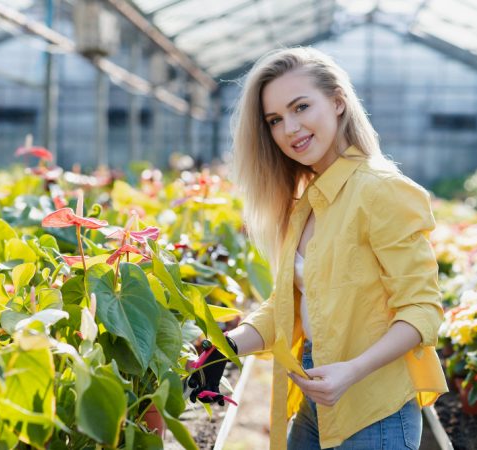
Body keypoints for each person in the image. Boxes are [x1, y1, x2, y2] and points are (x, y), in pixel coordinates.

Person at [188, 47, 448, 449]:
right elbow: (286, 305)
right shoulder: (308, 200)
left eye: (301, 107)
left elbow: (423, 310)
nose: (290, 128)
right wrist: (223, 350)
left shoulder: (383, 191)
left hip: (372, 408)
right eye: (275, 120)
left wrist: (352, 371)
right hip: (315, 400)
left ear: (338, 101)